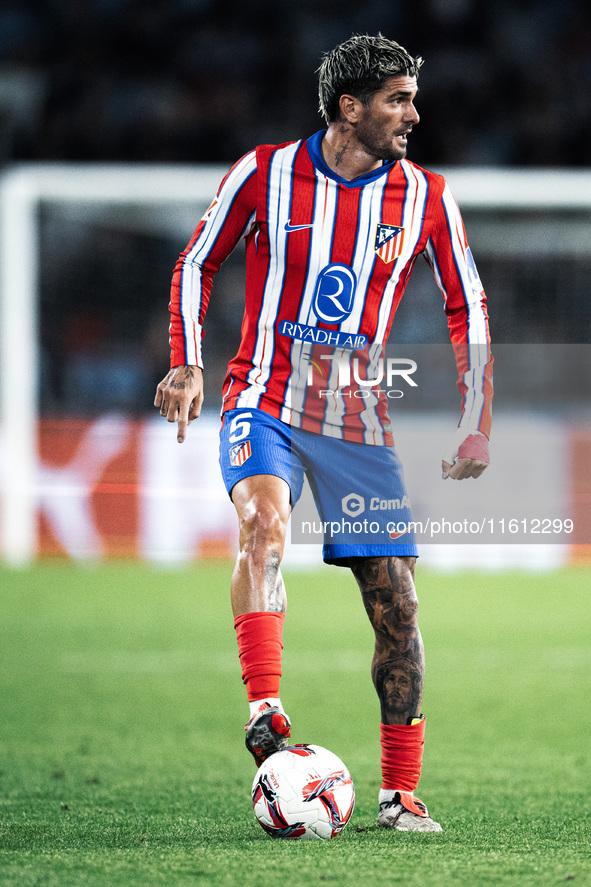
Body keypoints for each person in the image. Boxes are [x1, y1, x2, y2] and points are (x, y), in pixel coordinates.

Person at [155, 33, 493, 833]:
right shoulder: (264, 173)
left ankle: (398, 794)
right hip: (263, 400)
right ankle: (266, 709)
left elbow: (465, 304)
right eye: (397, 100)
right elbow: (197, 261)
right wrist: (189, 362)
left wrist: (475, 420)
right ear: (350, 107)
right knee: (262, 525)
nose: (414, 114)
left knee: (397, 607)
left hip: (356, 423)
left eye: (411, 97)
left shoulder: (425, 196)